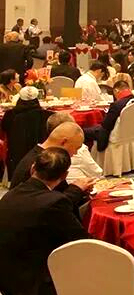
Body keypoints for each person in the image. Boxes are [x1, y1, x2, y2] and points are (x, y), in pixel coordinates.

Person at [0, 147, 90, 295]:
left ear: (33, 168)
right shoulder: (55, 202)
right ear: (65, 175)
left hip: (6, 277)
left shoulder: (10, 194)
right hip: (34, 282)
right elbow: (81, 240)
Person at [2, 86, 52, 178]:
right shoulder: (46, 115)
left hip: (16, 158)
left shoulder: (10, 115)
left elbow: (4, 129)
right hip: (42, 157)